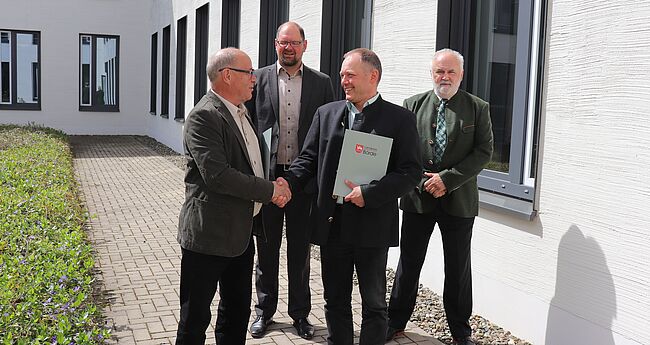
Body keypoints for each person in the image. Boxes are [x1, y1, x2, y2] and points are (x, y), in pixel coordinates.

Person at [284, 48, 421, 345]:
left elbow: (410, 172)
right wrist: (284, 185)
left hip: (372, 226)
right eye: (342, 74)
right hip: (333, 226)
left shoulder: (399, 119)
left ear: (373, 77)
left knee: (374, 304)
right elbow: (308, 160)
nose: (344, 80)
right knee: (335, 301)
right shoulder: (327, 113)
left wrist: (370, 194)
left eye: (350, 75)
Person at [175, 47, 291, 345]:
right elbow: (219, 176)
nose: (254, 78)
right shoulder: (203, 116)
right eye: (248, 72)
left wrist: (272, 179)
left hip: (240, 234)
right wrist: (270, 191)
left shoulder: (241, 111)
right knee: (195, 318)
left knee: (236, 314)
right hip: (208, 236)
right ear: (227, 75)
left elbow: (249, 162)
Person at [385, 48, 493, 345]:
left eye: (450, 72)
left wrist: (447, 180)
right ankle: (395, 322)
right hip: (418, 200)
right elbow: (403, 152)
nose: (444, 77)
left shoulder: (477, 107)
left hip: (459, 202)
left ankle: (460, 331)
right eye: (439, 72)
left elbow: (484, 152)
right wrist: (422, 182)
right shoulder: (412, 105)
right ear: (431, 73)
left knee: (458, 268)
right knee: (408, 263)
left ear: (461, 74)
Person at [246, 21, 334, 340]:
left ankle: (300, 315)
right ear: (275, 44)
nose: (288, 48)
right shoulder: (257, 79)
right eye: (283, 42)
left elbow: (328, 133)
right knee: (266, 250)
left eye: (294, 43)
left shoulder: (322, 83)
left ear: (304, 45)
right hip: (267, 180)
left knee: (300, 254)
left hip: (304, 182)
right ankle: (263, 312)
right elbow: (249, 127)